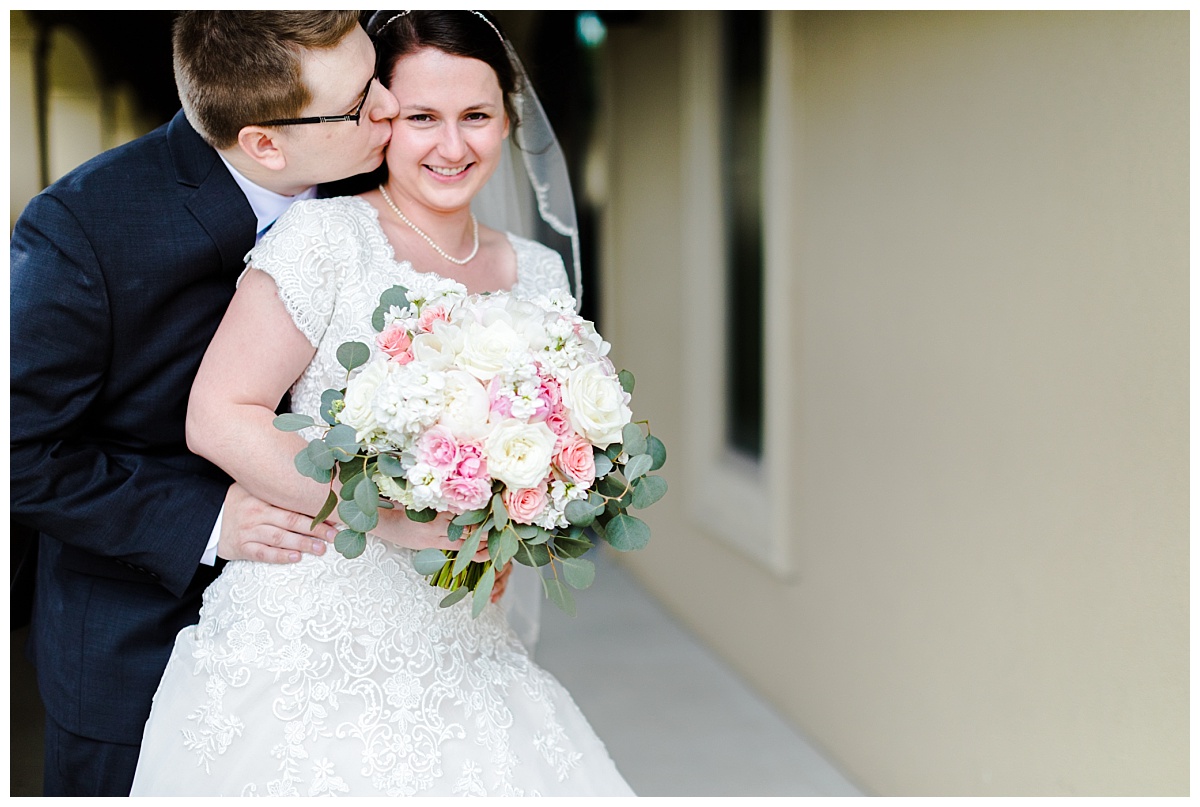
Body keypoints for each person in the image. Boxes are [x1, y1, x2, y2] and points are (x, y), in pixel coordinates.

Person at [129, 11, 634, 796]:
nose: (452, 146)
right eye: (421, 118)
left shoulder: (536, 271)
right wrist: (393, 517)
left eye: (476, 116)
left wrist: (516, 520)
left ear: (508, 119)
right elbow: (220, 413)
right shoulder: (324, 240)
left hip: (461, 634)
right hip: (311, 628)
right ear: (379, 120)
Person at [9, 12, 403, 796]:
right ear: (264, 142)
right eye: (362, 102)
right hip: (140, 632)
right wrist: (210, 520)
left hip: (349, 622)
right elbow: (18, 450)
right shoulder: (83, 229)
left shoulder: (377, 177)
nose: (391, 108)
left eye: (379, 74)